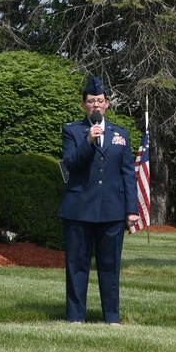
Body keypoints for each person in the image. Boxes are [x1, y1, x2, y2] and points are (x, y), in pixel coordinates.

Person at [58, 76, 140, 325]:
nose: (96, 105)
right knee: (77, 266)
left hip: (112, 211)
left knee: (110, 266)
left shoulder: (120, 134)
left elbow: (128, 173)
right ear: (83, 105)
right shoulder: (72, 131)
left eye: (100, 101)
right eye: (91, 101)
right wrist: (89, 140)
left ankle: (112, 318)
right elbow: (70, 164)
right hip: (79, 209)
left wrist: (131, 209)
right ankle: (75, 317)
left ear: (107, 105)